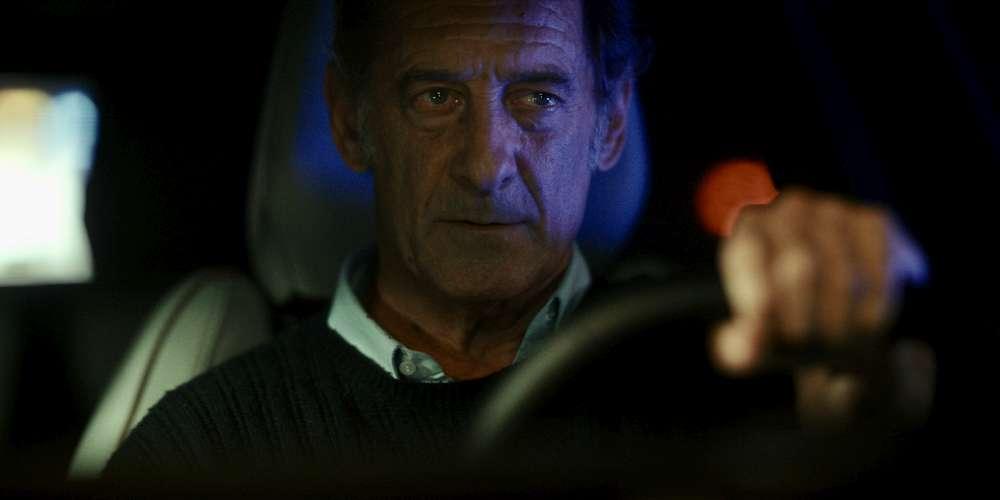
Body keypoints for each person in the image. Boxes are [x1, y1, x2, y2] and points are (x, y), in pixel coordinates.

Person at [104, 0, 934, 481]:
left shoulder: (730, 375)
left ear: (610, 123)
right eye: (435, 98)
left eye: (538, 98)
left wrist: (857, 418)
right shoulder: (211, 445)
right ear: (351, 122)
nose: (484, 165)